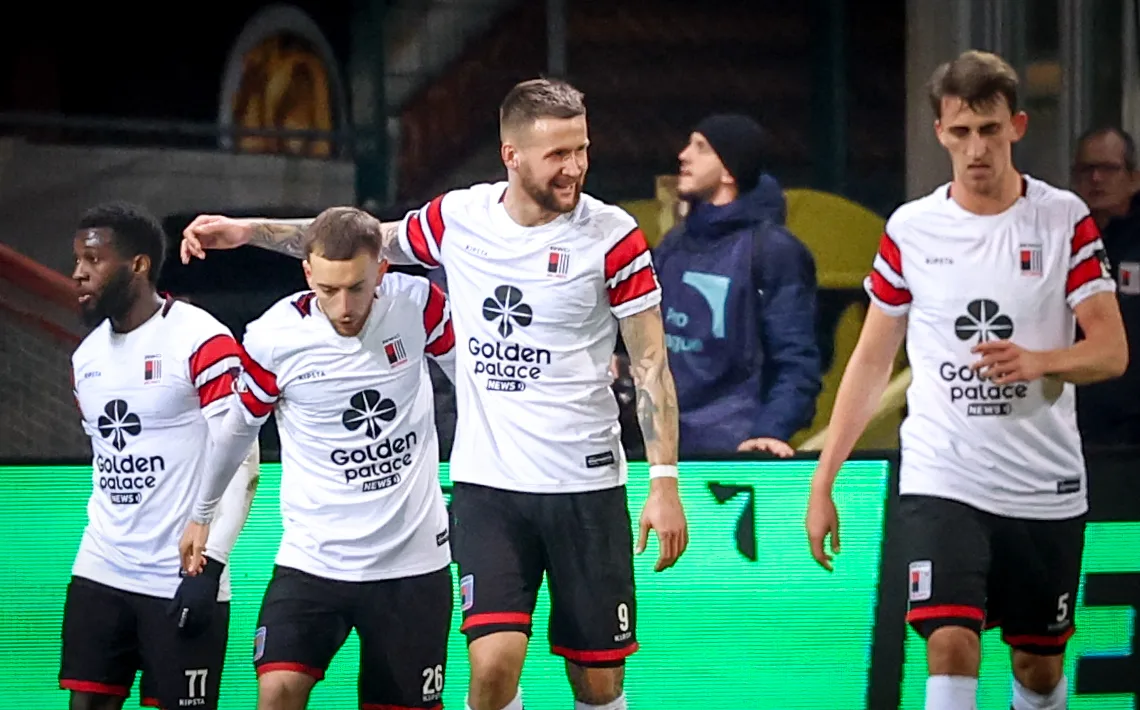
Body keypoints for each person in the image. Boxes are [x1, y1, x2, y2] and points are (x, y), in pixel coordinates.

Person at [180, 77, 689, 710]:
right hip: (488, 488)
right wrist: (249, 229)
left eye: (581, 149)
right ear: (512, 154)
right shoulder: (458, 220)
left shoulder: (613, 235)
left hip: (587, 485)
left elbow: (649, 362)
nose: (576, 167)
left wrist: (663, 479)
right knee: (493, 663)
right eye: (558, 154)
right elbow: (366, 240)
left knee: (599, 680)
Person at [804, 51, 1127, 710]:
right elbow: (871, 359)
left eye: (988, 129)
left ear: (1016, 125)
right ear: (939, 133)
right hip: (944, 474)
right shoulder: (912, 229)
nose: (975, 147)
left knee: (1038, 667)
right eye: (960, 132)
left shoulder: (1063, 220)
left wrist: (1039, 361)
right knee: (950, 643)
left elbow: (1111, 351)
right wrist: (824, 476)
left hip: (1043, 481)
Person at [178, 207, 455, 710]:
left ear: (382, 271)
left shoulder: (419, 306)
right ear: (307, 273)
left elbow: (478, 386)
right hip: (313, 561)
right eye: (328, 290)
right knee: (278, 693)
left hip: (412, 563)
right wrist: (202, 514)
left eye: (357, 287)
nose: (344, 306)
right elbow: (238, 429)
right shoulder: (273, 337)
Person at [63, 202, 259, 710]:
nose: (78, 273)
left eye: (92, 260)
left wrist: (211, 567)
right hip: (101, 566)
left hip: (182, 578)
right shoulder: (85, 359)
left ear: (138, 265)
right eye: (77, 261)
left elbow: (243, 460)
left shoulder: (200, 337)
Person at [655, 112, 821, 457]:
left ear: (729, 170)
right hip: (662, 444)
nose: (683, 155)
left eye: (701, 148)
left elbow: (796, 359)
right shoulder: (674, 243)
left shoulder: (774, 251)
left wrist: (770, 431)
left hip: (733, 448)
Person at [1070, 126, 1140, 446]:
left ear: (1133, 178)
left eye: (1108, 169)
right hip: (1076, 419)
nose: (1096, 179)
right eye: (1088, 169)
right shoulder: (1060, 240)